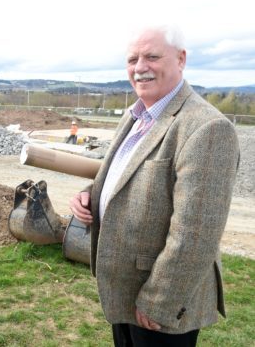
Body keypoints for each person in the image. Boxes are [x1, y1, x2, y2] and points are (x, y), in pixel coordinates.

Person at [69, 25, 239, 346]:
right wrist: (90, 196)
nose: (140, 67)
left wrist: (160, 300)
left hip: (161, 305)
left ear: (181, 59)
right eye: (132, 59)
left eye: (152, 56)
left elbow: (196, 232)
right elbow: (123, 175)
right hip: (125, 293)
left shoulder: (207, 128)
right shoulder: (136, 114)